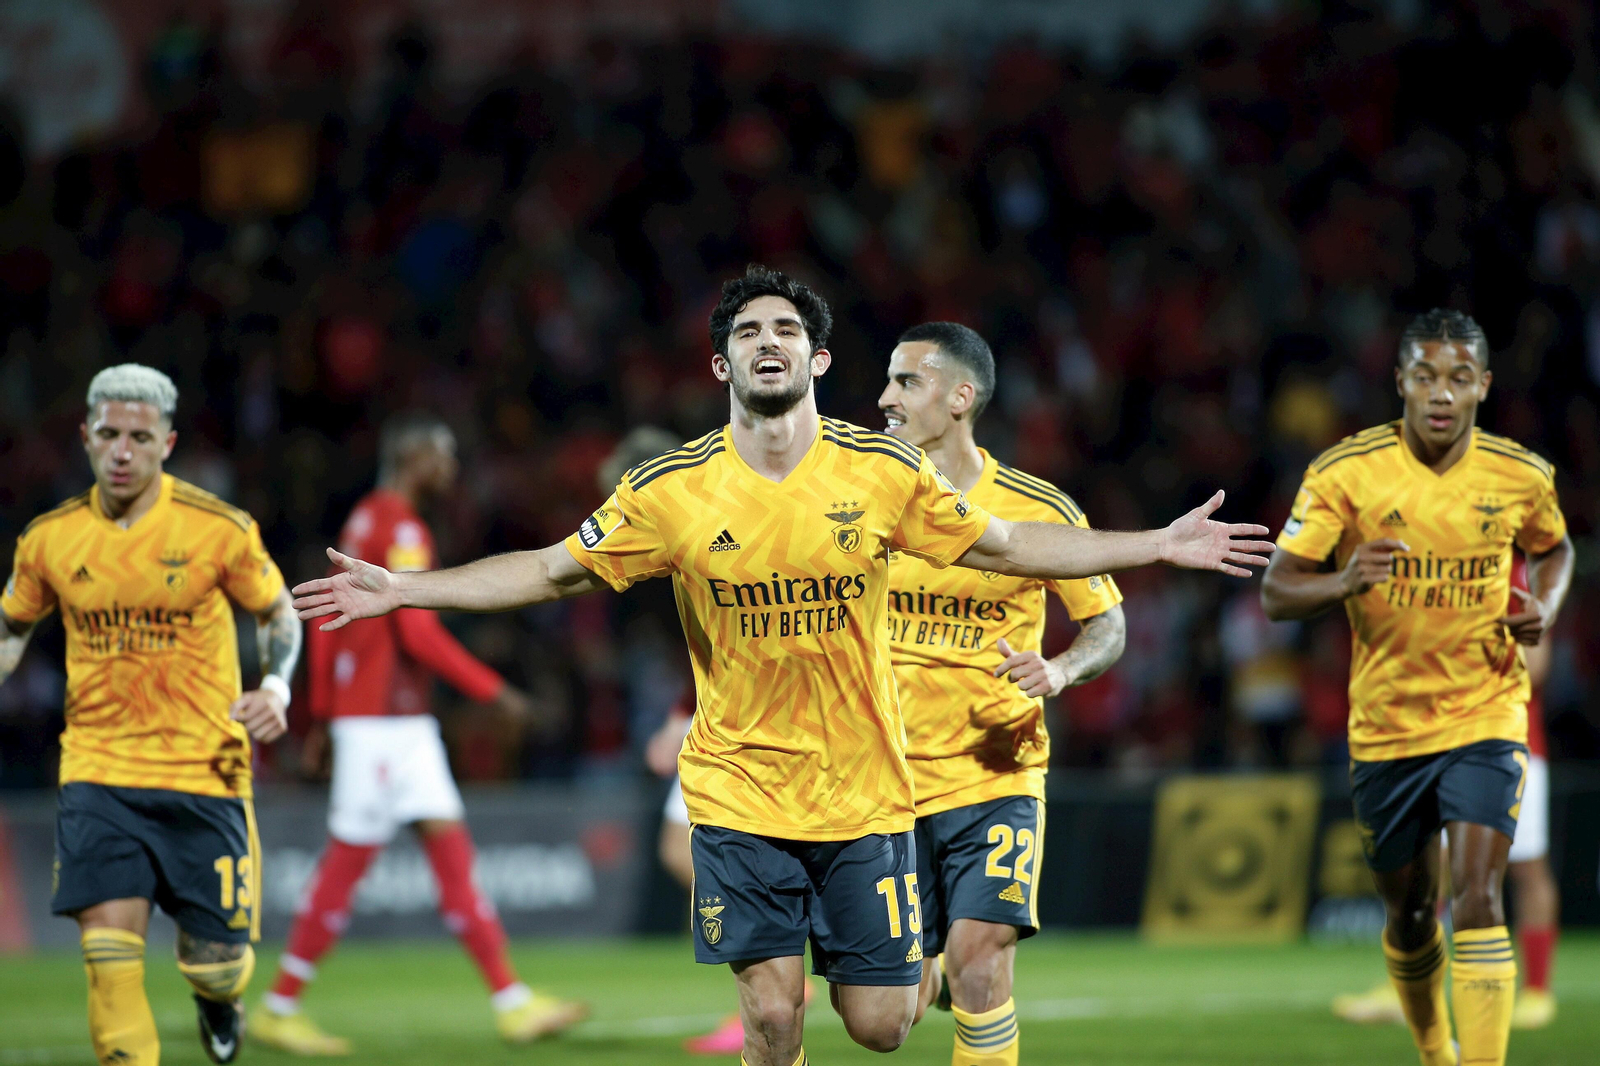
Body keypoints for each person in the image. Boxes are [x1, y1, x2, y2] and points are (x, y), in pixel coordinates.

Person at [292, 265, 1273, 1066]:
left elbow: (1012, 547)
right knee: (772, 1017)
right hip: (740, 788)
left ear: (819, 358)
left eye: (787, 331)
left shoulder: (880, 472)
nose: (770, 342)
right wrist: (408, 589)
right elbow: (551, 569)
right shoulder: (665, 489)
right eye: (750, 331)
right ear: (720, 362)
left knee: (885, 1023)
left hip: (865, 792)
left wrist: (1153, 545)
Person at [1261, 309, 1573, 1066]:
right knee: (1407, 916)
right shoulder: (1346, 472)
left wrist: (1543, 607)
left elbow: (1556, 549)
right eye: (1426, 377)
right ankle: (1436, 1051)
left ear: (1483, 388)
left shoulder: (1520, 475)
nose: (1441, 394)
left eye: (1459, 379)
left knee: (1476, 897)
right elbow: (1277, 591)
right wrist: (1345, 578)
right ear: (1400, 380)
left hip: (1486, 710)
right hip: (1388, 726)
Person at [252, 413, 585, 1052]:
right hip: (381, 725)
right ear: (417, 457)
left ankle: (511, 1000)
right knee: (347, 865)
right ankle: (278, 1005)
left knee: (452, 856)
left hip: (391, 722)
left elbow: (327, 625)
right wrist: (496, 693)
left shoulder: (363, 520)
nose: (452, 468)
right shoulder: (400, 525)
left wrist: (321, 715)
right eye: (445, 454)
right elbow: (417, 629)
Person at [0, 364, 301, 1065]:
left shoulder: (218, 528)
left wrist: (277, 689)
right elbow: (13, 626)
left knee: (216, 963)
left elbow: (278, 609)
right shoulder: (50, 540)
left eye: (140, 436)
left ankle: (219, 999)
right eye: (108, 434)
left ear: (167, 443)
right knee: (109, 961)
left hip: (205, 769)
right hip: (99, 771)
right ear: (85, 438)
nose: (123, 450)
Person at [877, 322, 1127, 1066]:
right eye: (888, 381)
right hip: (882, 781)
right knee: (890, 1013)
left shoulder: (1037, 506)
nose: (884, 398)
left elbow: (1106, 623)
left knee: (980, 961)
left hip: (996, 772)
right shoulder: (862, 502)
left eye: (906, 382)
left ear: (961, 396)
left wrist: (1060, 670)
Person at [1329, 556, 1561, 1032]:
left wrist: (1460, 655)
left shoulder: (1511, 573)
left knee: (1526, 869)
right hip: (1432, 745)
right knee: (1426, 871)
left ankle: (1538, 992)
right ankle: (1409, 987)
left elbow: (1537, 666)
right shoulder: (1427, 570)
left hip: (1510, 742)